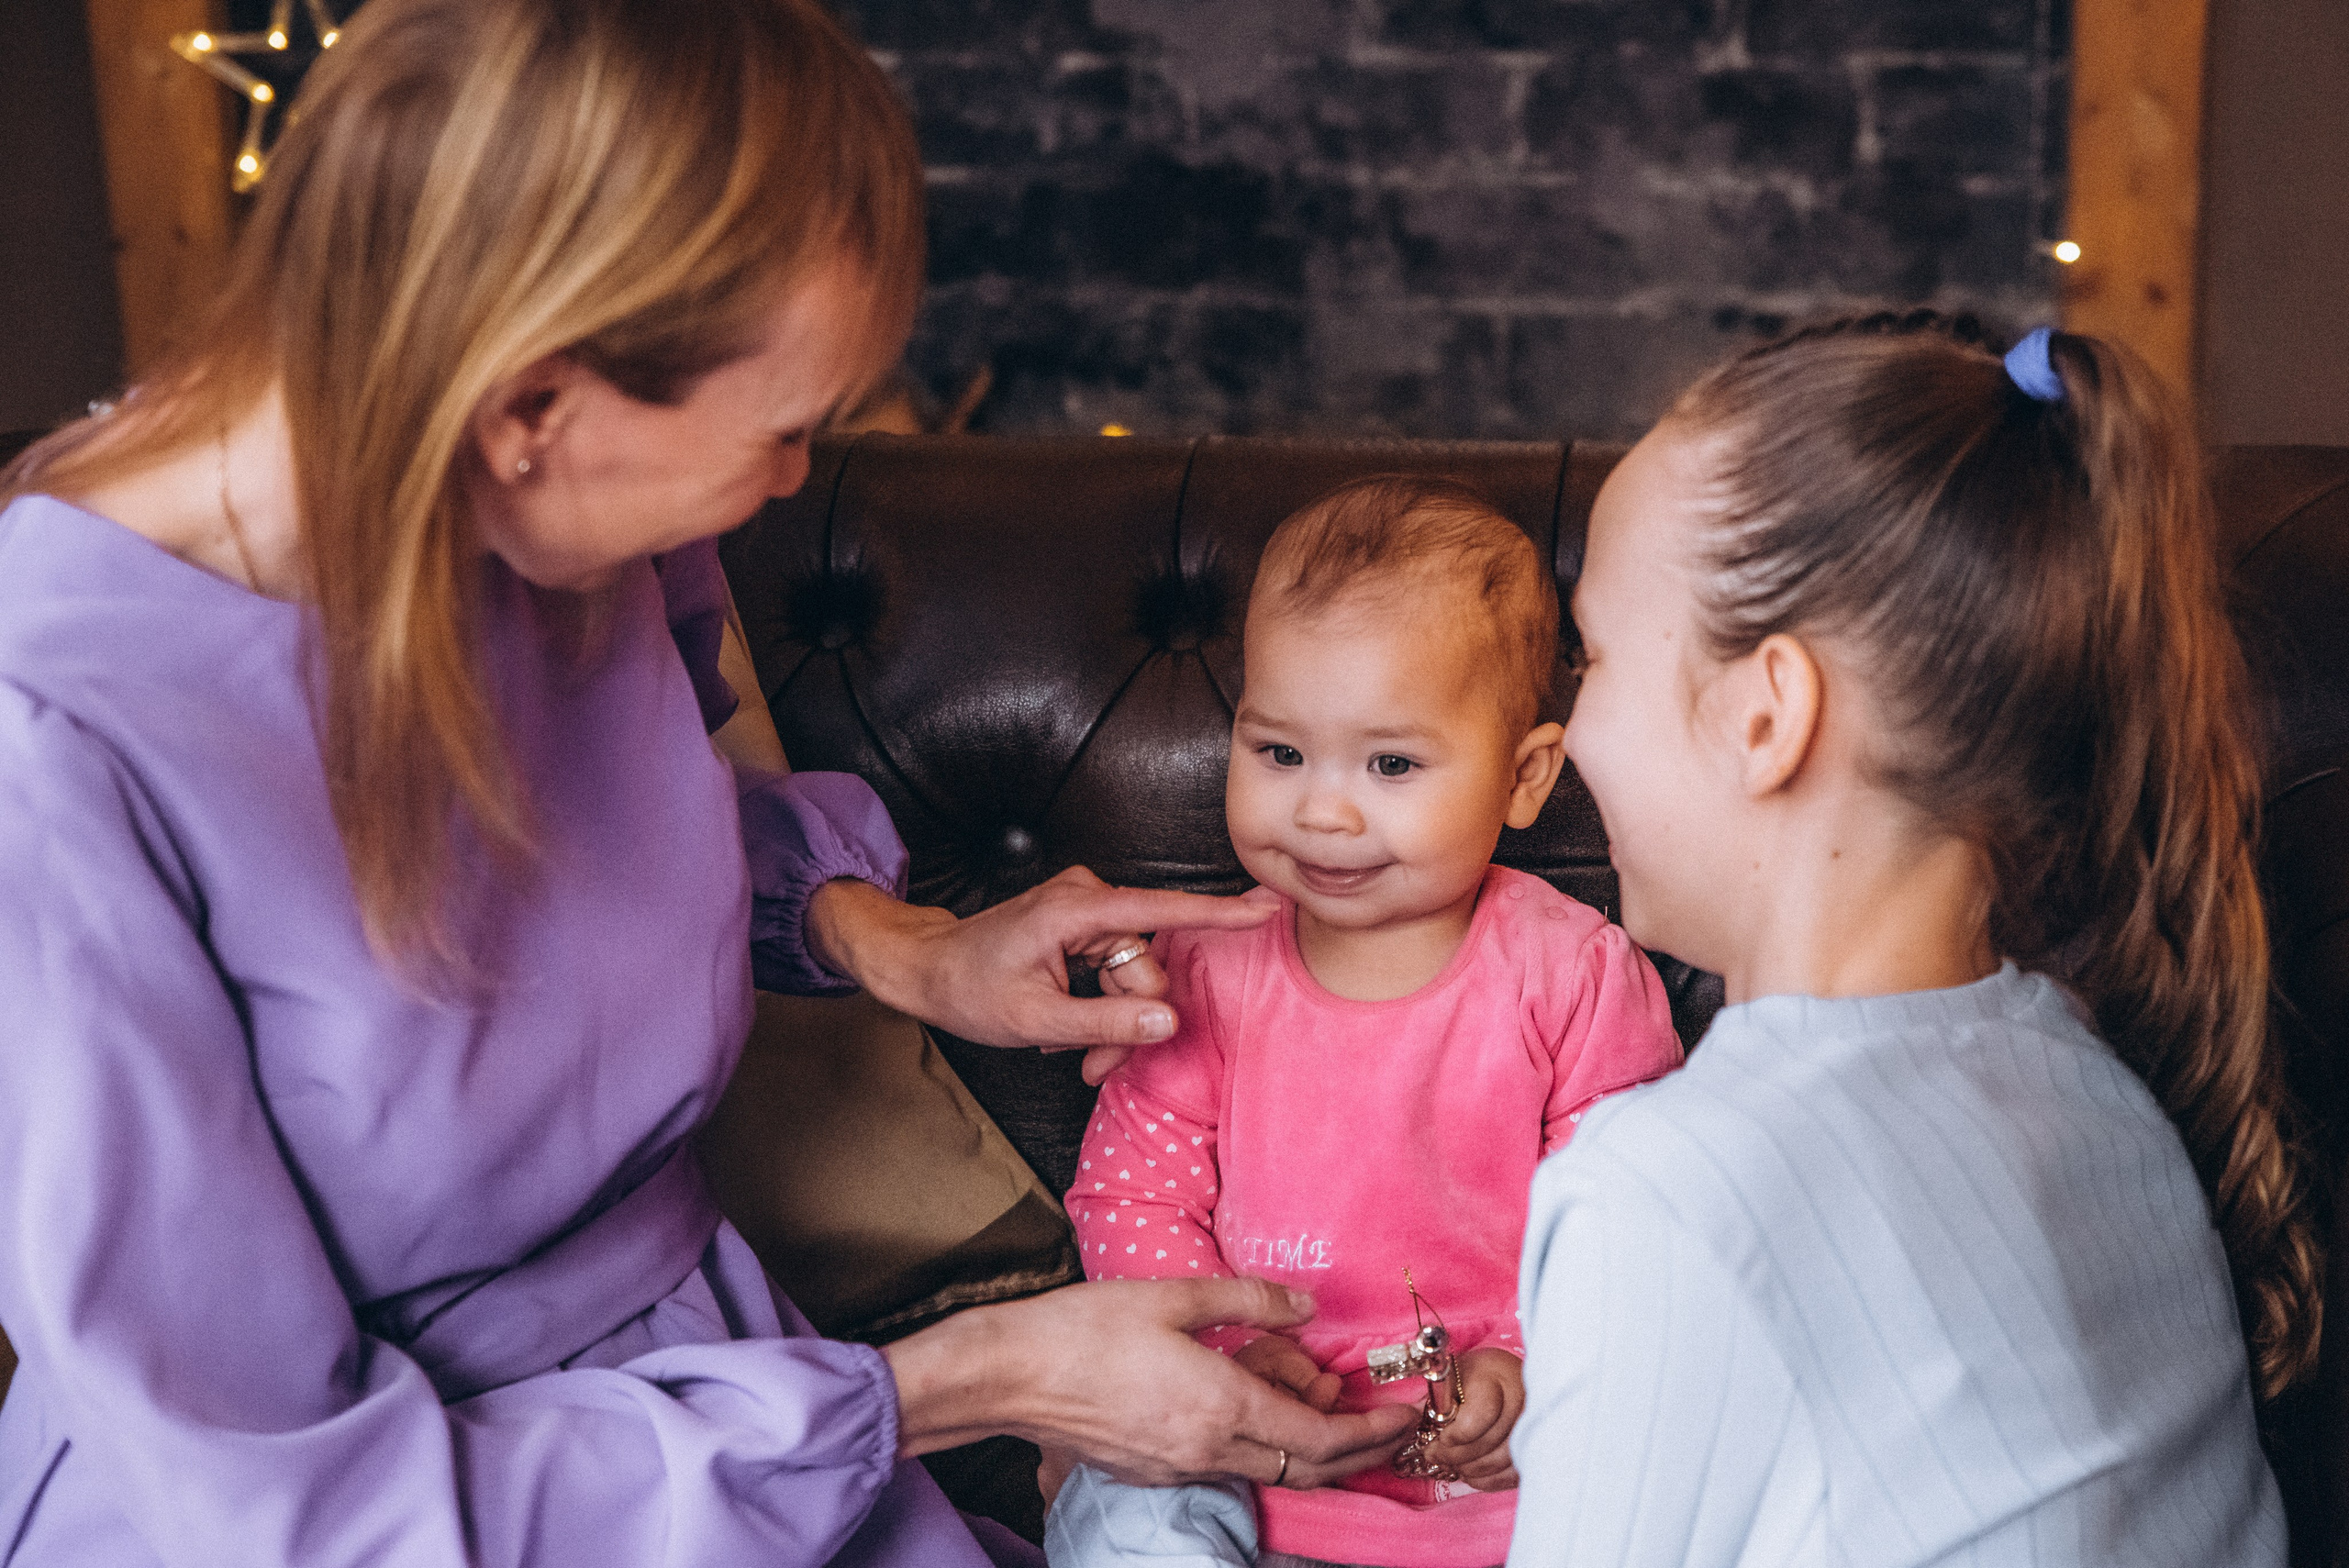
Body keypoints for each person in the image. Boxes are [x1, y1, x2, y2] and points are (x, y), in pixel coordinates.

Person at [0, 2, 1420, 1564]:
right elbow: (275, 1496)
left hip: (732, 1400)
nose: (801, 478)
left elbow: (606, 836)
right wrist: (988, 1373)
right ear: (529, 405)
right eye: (788, 430)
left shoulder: (555, 507)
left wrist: (897, 940)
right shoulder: (52, 744)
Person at [1506, 315, 2321, 1566]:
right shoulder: (2099, 1084)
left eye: (1592, 656)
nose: (1571, 728)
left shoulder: (1671, 1191)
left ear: (1766, 713)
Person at [1046, 479, 1684, 1568]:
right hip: (1242, 1445)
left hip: (1503, 1454)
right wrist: (1223, 1347)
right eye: (1278, 753)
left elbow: (1640, 1213)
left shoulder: (1570, 971)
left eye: (1391, 764)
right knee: (1121, 1508)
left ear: (1523, 775)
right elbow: (1130, 1195)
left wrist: (1542, 1364)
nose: (1323, 810)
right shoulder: (1202, 970)